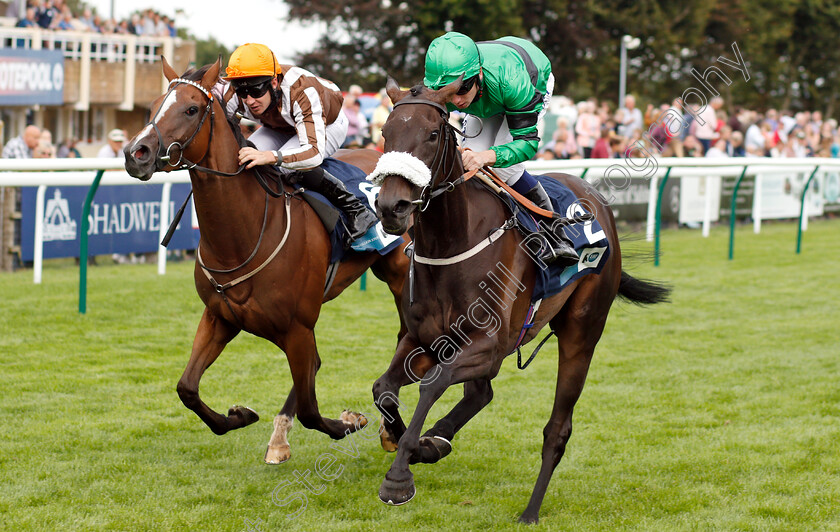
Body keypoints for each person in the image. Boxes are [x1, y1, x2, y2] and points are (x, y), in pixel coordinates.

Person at [423, 31, 578, 264]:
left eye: (463, 88)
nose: (457, 101)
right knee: (468, 166)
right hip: (489, 93)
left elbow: (526, 144)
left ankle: (556, 233)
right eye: (448, 93)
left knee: (503, 168)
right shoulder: (444, 82)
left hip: (529, 79)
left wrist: (488, 155)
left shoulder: (513, 83)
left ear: (478, 74)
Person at [222, 42, 376, 240]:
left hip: (328, 123)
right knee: (245, 159)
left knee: (287, 166)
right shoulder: (235, 93)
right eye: (242, 92)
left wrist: (269, 156)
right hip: (279, 126)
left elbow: (312, 153)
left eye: (256, 91)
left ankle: (356, 209)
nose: (250, 100)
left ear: (274, 82)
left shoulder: (303, 91)